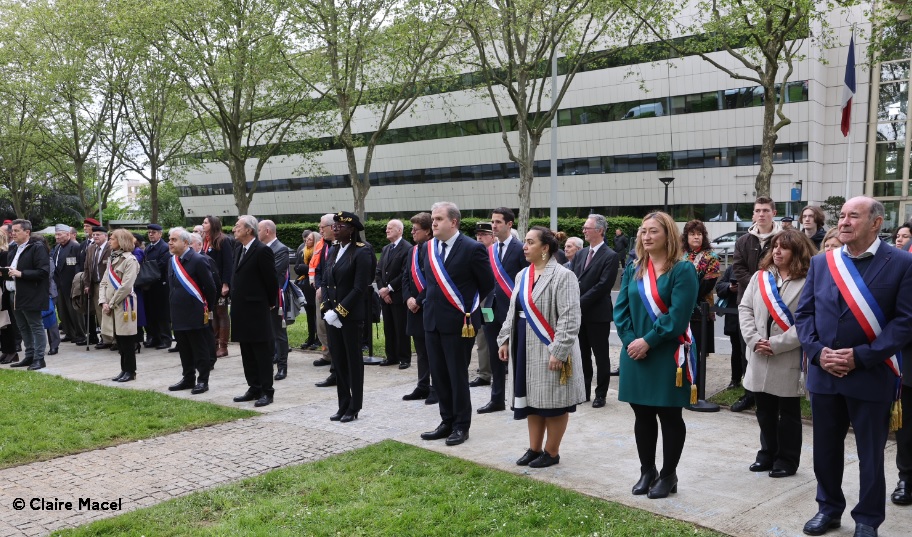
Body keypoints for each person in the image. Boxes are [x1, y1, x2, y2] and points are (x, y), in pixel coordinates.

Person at [795, 196, 912, 537]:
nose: (843, 222)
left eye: (853, 216)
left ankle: (868, 519)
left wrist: (860, 356)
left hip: (871, 375)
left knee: (870, 455)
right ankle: (828, 509)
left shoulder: (902, 263)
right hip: (825, 375)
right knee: (825, 451)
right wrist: (818, 353)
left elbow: (904, 322)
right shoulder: (822, 263)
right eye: (842, 216)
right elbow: (804, 315)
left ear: (876, 223)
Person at [614, 211, 698, 499]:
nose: (646, 236)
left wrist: (647, 342)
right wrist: (630, 342)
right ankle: (646, 470)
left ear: (668, 235)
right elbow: (621, 309)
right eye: (643, 231)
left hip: (667, 352)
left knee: (669, 414)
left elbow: (678, 316)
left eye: (653, 231)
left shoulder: (682, 269)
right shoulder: (634, 268)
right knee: (642, 412)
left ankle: (668, 474)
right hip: (635, 352)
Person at [496, 226, 585, 468]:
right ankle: (534, 448)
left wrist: (559, 350)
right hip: (523, 344)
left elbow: (570, 317)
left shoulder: (564, 276)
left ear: (545, 248)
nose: (524, 246)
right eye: (524, 242)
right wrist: (504, 339)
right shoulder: (522, 275)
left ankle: (551, 452)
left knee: (554, 402)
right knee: (532, 400)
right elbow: (512, 311)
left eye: (530, 242)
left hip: (550, 345)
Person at [739, 229, 815, 479]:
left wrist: (778, 343)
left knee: (788, 413)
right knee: (764, 409)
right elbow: (745, 308)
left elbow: (808, 322)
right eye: (774, 247)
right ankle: (767, 452)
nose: (777, 251)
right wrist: (753, 339)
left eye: (784, 247)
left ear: (798, 251)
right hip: (759, 352)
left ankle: (787, 458)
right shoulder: (761, 277)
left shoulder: (808, 280)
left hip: (787, 355)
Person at [419, 201, 494, 447]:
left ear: (454, 222)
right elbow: (430, 284)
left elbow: (487, 285)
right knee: (439, 376)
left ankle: (462, 425)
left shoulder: (473, 248)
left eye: (439, 218)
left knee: (456, 375)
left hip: (460, 324)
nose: (434, 223)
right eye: (433, 218)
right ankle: (446, 420)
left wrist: (477, 315)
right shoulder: (428, 247)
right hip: (432, 322)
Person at [731, 196, 781, 412]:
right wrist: (758, 287)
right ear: (753, 214)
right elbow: (738, 268)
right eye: (758, 210)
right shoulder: (743, 241)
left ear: (773, 213)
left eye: (766, 210)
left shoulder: (785, 238)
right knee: (748, 350)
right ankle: (749, 393)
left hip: (778, 304)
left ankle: (775, 394)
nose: (761, 214)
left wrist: (770, 288)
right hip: (749, 303)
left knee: (775, 349)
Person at [321, 212, 373, 422]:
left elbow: (360, 287)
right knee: (339, 362)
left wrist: (340, 311)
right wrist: (326, 309)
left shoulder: (362, 252)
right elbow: (325, 282)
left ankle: (354, 406)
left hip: (350, 317)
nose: (335, 228)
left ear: (351, 230)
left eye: (340, 226)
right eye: (334, 225)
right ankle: (343, 404)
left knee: (353, 362)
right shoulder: (333, 250)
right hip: (332, 316)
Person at [480, 207, 528, 414]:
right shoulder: (489, 250)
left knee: (517, 356)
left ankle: (519, 399)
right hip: (490, 310)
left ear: (509, 224)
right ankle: (496, 399)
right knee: (494, 354)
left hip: (513, 311)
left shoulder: (521, 249)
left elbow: (527, 281)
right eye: (492, 222)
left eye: (498, 222)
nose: (494, 226)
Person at [569, 213, 619, 408]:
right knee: (582, 355)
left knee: (600, 355)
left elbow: (603, 285)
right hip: (579, 315)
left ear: (599, 230)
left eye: (587, 228)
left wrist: (578, 302)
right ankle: (584, 391)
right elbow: (573, 279)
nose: (584, 231)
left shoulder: (610, 255)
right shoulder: (581, 254)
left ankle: (601, 394)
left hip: (597, 314)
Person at [231, 215, 279, 407]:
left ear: (248, 230)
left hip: (257, 309)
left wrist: (269, 302)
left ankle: (267, 391)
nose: (234, 229)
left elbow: (271, 281)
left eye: (237, 226)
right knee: (247, 351)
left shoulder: (262, 251)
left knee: (261, 352)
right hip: (241, 309)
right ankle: (254, 387)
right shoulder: (238, 249)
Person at [165, 228, 218, 394]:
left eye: (174, 240)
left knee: (199, 348)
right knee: (184, 348)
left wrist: (206, 307)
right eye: (170, 239)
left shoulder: (198, 260)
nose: (170, 243)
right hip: (178, 312)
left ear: (186, 242)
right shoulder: (172, 261)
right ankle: (188, 378)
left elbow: (210, 288)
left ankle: (203, 380)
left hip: (195, 312)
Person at [5, 220, 51, 370]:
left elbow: (43, 272)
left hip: (31, 293)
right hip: (14, 293)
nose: (13, 233)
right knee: (22, 326)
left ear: (27, 232)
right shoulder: (13, 248)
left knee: (35, 326)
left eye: (17, 231)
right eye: (12, 231)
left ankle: (39, 358)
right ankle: (29, 356)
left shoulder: (37, 248)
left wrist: (21, 274)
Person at [402, 212, 436, 403]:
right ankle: (422, 385)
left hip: (428, 305)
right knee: (421, 351)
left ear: (427, 231)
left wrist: (419, 299)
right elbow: (406, 276)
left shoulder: (434, 249)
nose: (412, 232)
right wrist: (408, 298)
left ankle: (436, 388)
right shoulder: (412, 251)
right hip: (414, 307)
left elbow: (434, 280)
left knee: (433, 351)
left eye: (416, 229)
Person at [99, 229, 141, 382]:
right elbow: (104, 281)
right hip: (111, 304)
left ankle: (130, 371)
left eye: (112, 239)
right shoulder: (113, 258)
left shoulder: (130, 260)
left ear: (121, 241)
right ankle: (124, 369)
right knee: (119, 340)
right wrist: (103, 301)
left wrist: (110, 303)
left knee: (127, 341)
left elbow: (126, 286)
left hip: (124, 305)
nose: (110, 241)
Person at [681, 220, 720, 358]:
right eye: (692, 234)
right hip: (678, 309)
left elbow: (707, 285)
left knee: (696, 353)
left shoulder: (711, 257)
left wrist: (685, 297)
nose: (696, 237)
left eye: (699, 234)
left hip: (700, 309)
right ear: (686, 236)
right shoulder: (678, 255)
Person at [376, 219, 412, 368]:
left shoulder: (407, 248)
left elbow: (405, 272)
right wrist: (383, 291)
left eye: (390, 228)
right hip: (386, 296)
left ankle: (404, 358)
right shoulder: (386, 249)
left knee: (401, 327)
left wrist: (389, 288)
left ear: (399, 230)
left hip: (397, 295)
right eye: (386, 228)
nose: (387, 230)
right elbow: (378, 272)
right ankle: (391, 356)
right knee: (388, 327)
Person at [257, 220, 290, 381]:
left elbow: (274, 274)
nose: (257, 233)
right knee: (266, 333)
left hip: (275, 298)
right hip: (261, 298)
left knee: (279, 333)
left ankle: (282, 367)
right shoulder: (260, 249)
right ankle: (269, 361)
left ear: (267, 231)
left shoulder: (281, 249)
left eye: (259, 230)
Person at [202, 215, 234, 358]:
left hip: (221, 284)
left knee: (222, 313)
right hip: (210, 284)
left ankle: (223, 346)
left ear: (213, 224)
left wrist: (226, 283)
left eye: (205, 222)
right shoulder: (205, 240)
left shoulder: (223, 240)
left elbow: (228, 263)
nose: (202, 224)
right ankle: (214, 343)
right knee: (212, 313)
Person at [311, 214, 336, 385]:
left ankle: (336, 363)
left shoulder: (340, 246)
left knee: (333, 329)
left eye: (322, 227)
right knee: (321, 326)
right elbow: (319, 269)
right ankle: (328, 356)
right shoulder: (323, 245)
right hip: (321, 292)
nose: (320, 231)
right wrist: (319, 286)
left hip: (335, 296)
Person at [469, 222, 494, 388]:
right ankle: (485, 372)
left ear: (492, 236)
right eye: (478, 234)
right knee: (481, 335)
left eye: (484, 234)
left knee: (489, 333)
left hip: (491, 302)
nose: (479, 237)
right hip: (477, 301)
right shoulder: (472, 252)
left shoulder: (496, 252)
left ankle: (493, 369)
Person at [52, 224, 85, 346]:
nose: (57, 237)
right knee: (62, 311)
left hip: (71, 283)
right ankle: (69, 333)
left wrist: (77, 282)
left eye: (59, 234)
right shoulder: (57, 248)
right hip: (59, 284)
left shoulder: (75, 247)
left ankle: (80, 334)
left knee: (74, 311)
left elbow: (79, 265)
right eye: (56, 234)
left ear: (68, 234)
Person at [144, 224, 172, 350]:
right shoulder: (148, 247)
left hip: (160, 284)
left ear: (160, 234)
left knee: (162, 313)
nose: (151, 234)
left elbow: (161, 265)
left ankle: (166, 338)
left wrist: (147, 272)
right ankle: (154, 337)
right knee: (151, 312)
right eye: (149, 232)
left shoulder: (164, 247)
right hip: (149, 284)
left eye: (153, 232)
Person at [715, 265, 743, 389]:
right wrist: (729, 287)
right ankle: (735, 379)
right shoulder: (732, 268)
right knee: (736, 349)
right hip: (733, 315)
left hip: (750, 315)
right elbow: (719, 286)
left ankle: (749, 380)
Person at [83, 225, 112, 348]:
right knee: (99, 312)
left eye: (98, 234)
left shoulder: (111, 247)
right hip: (95, 284)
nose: (95, 237)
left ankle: (114, 338)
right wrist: (87, 284)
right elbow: (87, 267)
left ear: (105, 236)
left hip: (109, 284)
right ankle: (105, 339)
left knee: (109, 311)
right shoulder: (91, 248)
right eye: (94, 235)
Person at [294, 231, 319, 350]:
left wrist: (306, 268)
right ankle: (310, 338)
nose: (306, 241)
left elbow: (316, 268)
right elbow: (297, 267)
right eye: (306, 239)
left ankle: (318, 339)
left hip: (314, 286)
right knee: (309, 313)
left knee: (317, 313)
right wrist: (307, 268)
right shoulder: (302, 250)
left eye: (309, 239)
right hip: (305, 285)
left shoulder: (318, 252)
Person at [0, 228, 17, 364]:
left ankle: (11, 351)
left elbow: (6, 274)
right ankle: (6, 351)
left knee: (6, 323)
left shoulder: (5, 253)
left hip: (2, 291)